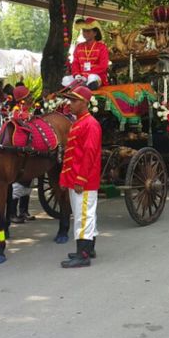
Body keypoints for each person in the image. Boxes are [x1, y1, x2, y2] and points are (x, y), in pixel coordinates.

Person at [59, 85, 102, 268]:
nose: (70, 104)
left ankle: (83, 254)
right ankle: (88, 248)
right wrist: (64, 178)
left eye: (74, 100)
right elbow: (71, 154)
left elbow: (89, 154)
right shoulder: (79, 122)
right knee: (81, 213)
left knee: (83, 216)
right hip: (75, 178)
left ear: (84, 103)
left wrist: (81, 179)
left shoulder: (90, 124)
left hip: (83, 179)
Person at [61, 18, 110, 90]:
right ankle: (81, 86)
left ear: (95, 33)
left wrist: (86, 75)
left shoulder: (102, 47)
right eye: (84, 31)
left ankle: (84, 88)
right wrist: (77, 75)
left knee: (92, 78)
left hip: (95, 76)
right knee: (65, 80)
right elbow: (75, 63)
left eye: (88, 31)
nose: (85, 33)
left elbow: (103, 66)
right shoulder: (79, 46)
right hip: (80, 77)